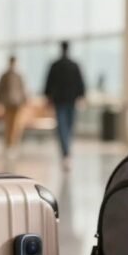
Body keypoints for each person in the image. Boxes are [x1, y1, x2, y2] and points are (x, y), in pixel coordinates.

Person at [44, 41, 86, 169]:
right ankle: (67, 153)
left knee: (62, 127)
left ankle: (65, 153)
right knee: (69, 127)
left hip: (59, 100)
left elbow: (48, 83)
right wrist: (81, 96)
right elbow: (81, 83)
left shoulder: (55, 65)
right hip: (71, 100)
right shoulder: (74, 65)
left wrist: (48, 96)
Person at [0, 56, 27, 155]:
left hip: (17, 103)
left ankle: (13, 144)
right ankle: (8, 145)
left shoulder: (18, 75)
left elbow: (23, 89)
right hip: (8, 103)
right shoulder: (5, 75)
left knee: (16, 125)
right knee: (9, 124)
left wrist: (24, 101)